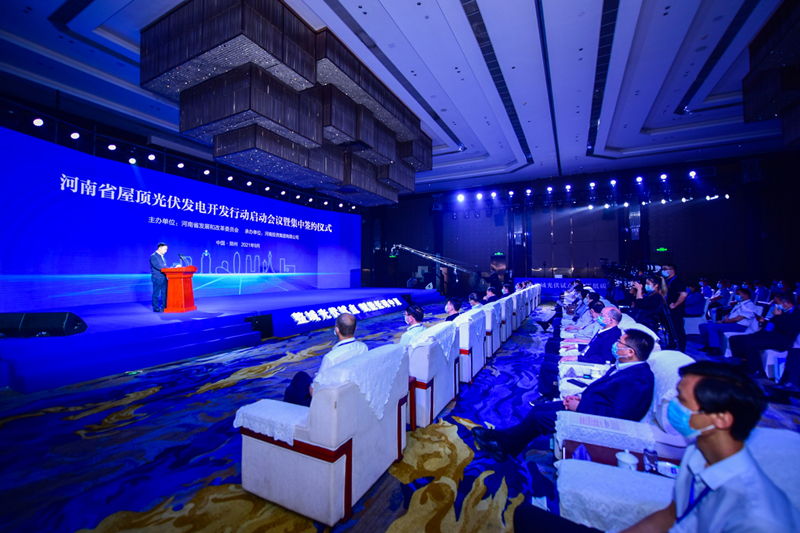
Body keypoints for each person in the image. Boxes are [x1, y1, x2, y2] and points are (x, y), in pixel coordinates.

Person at [513, 361, 799, 533]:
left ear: (721, 419)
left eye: (682, 401)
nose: (672, 406)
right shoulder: (697, 453)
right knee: (524, 516)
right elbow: (671, 515)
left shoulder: (758, 517)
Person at [473, 329, 655, 462]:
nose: (615, 345)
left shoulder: (639, 380)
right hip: (585, 404)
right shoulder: (625, 367)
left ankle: (503, 444)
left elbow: (618, 417)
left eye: (620, 343)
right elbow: (603, 394)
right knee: (539, 409)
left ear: (630, 352)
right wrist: (579, 397)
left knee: (539, 419)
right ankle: (505, 439)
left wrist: (580, 406)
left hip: (593, 418)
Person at [283, 313, 367, 406]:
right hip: (351, 392)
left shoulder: (331, 357)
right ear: (355, 328)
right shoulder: (363, 348)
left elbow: (314, 392)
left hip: (330, 402)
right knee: (303, 379)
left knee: (299, 379)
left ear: (336, 330)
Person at [731, 293, 800, 378]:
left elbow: (785, 329)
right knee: (734, 339)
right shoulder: (780, 312)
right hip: (767, 336)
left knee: (750, 344)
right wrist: (762, 322)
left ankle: (758, 371)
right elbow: (770, 326)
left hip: (781, 341)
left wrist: (777, 317)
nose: (775, 305)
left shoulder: (796, 314)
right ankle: (742, 363)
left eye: (777, 303)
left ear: (787, 303)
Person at [699, 288, 756, 356]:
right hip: (730, 323)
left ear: (746, 295)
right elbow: (731, 314)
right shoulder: (740, 304)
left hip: (739, 326)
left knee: (711, 328)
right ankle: (708, 344)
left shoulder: (749, 305)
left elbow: (738, 318)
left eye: (738, 294)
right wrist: (723, 321)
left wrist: (726, 321)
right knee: (702, 326)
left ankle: (715, 349)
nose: (736, 295)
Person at [662, 263, 687, 351]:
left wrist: (675, 304)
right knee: (670, 329)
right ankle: (671, 346)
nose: (663, 271)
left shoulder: (677, 281)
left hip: (676, 310)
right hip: (668, 310)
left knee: (678, 330)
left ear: (672, 270)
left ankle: (681, 349)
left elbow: (683, 294)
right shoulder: (667, 281)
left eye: (665, 269)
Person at [150, 242, 169, 312]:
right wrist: (169, 269)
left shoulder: (163, 256)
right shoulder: (153, 256)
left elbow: (164, 266)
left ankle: (164, 307)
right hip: (157, 278)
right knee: (156, 293)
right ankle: (156, 307)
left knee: (165, 293)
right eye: (165, 249)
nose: (166, 251)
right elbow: (159, 266)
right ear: (160, 248)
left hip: (164, 277)